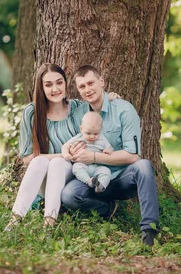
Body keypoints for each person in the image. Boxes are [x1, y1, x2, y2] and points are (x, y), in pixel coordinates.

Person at [6, 63, 119, 231]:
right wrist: (63, 155)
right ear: (41, 87)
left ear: (66, 83)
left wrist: (111, 98)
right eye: (48, 84)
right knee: (40, 162)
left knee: (57, 164)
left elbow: (100, 111)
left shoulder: (77, 108)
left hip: (75, 177)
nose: (55, 89)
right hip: (44, 179)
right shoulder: (32, 112)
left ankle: (49, 223)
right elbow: (26, 158)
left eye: (59, 82)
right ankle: (14, 221)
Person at [61, 65, 160, 247]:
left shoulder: (124, 109)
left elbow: (132, 156)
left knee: (144, 166)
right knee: (68, 195)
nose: (87, 89)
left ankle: (149, 230)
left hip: (121, 177)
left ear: (102, 82)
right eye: (82, 86)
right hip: (92, 178)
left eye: (91, 83)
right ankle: (106, 210)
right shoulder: (78, 114)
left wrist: (94, 157)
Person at [62, 112, 113, 193]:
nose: (92, 136)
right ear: (81, 129)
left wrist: (108, 150)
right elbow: (66, 146)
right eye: (88, 133)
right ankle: (89, 181)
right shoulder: (79, 137)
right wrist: (66, 154)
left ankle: (101, 186)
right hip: (83, 165)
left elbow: (110, 147)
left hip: (97, 166)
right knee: (76, 167)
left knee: (106, 171)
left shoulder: (102, 139)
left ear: (100, 130)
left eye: (96, 133)